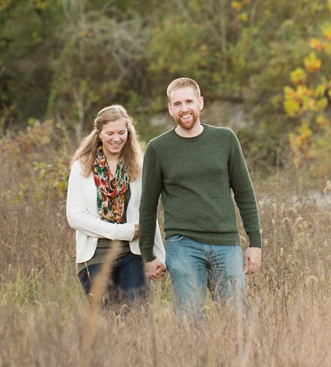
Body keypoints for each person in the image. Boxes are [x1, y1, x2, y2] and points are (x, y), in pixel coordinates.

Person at [138, 77, 262, 319]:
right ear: (170, 108)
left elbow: (245, 194)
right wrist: (148, 254)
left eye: (189, 101)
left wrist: (254, 243)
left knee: (237, 319)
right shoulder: (158, 148)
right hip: (182, 245)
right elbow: (148, 206)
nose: (184, 108)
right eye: (177, 103)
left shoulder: (225, 139)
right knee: (188, 320)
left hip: (226, 243)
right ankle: (192, 358)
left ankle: (239, 358)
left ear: (200, 103)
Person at [67, 104, 166, 307]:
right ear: (99, 134)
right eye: (110, 133)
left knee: (137, 317)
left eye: (122, 133)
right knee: (107, 322)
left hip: (133, 253)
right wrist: (122, 231)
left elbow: (147, 212)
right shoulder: (82, 166)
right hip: (95, 256)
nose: (116, 138)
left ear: (128, 133)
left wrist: (158, 256)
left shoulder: (139, 165)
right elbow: (75, 217)